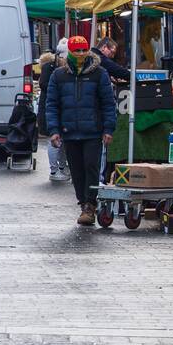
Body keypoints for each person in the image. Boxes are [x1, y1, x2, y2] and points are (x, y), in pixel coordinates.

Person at [46, 35, 117, 226]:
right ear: (69, 51)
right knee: (76, 171)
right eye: (76, 50)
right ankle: (82, 202)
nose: (80, 53)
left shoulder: (99, 74)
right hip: (69, 132)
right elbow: (52, 105)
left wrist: (108, 129)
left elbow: (108, 103)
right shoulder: (58, 76)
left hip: (92, 131)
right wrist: (54, 130)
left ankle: (90, 205)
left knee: (91, 168)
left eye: (83, 50)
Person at [36, 47, 70, 182]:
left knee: (60, 141)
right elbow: (44, 85)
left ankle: (61, 168)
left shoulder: (55, 67)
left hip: (56, 108)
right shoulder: (51, 68)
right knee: (54, 140)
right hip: (51, 109)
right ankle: (54, 170)